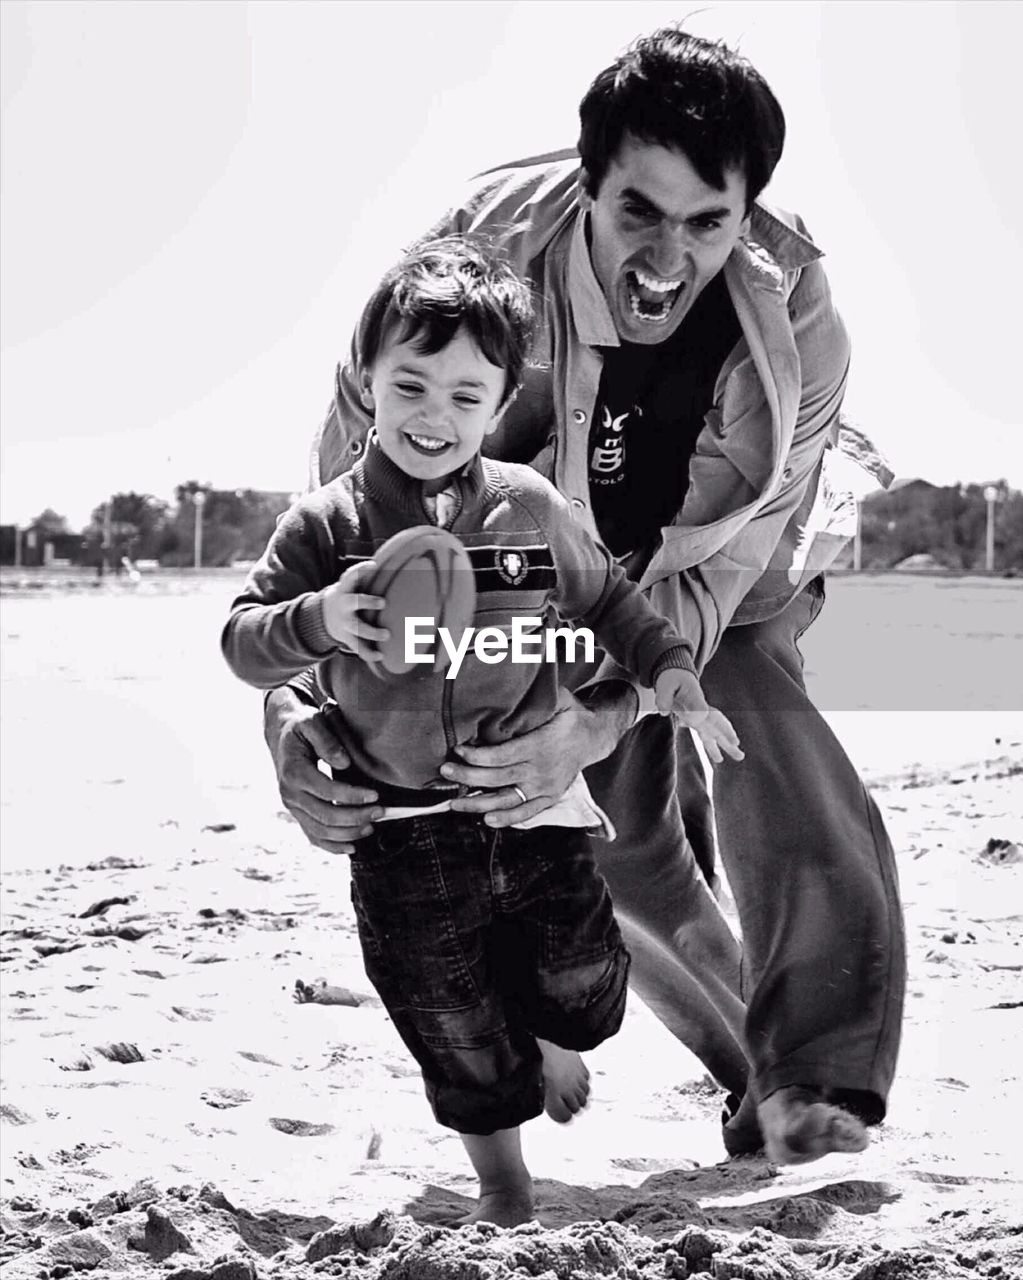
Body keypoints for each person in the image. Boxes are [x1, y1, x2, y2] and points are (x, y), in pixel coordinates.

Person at [263, 26, 906, 1166]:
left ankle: (818, 1078)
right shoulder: (465, 276)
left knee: (757, 712)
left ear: (748, 208)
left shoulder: (800, 321)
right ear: (587, 178)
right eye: (638, 214)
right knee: (608, 847)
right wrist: (299, 712)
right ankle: (751, 1080)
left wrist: (620, 706)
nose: (670, 255)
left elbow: (728, 566)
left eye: (709, 221)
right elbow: (350, 530)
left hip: (719, 572)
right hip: (519, 579)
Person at [224, 238, 742, 1225]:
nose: (433, 416)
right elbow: (247, 643)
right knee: (451, 1024)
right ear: (362, 381)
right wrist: (316, 620)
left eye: (466, 396)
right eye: (409, 385)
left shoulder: (530, 507)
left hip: (534, 805)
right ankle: (504, 1181)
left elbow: (616, 604)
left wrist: (669, 674)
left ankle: (546, 1033)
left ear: (502, 402)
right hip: (402, 829)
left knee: (587, 993)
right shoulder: (326, 528)